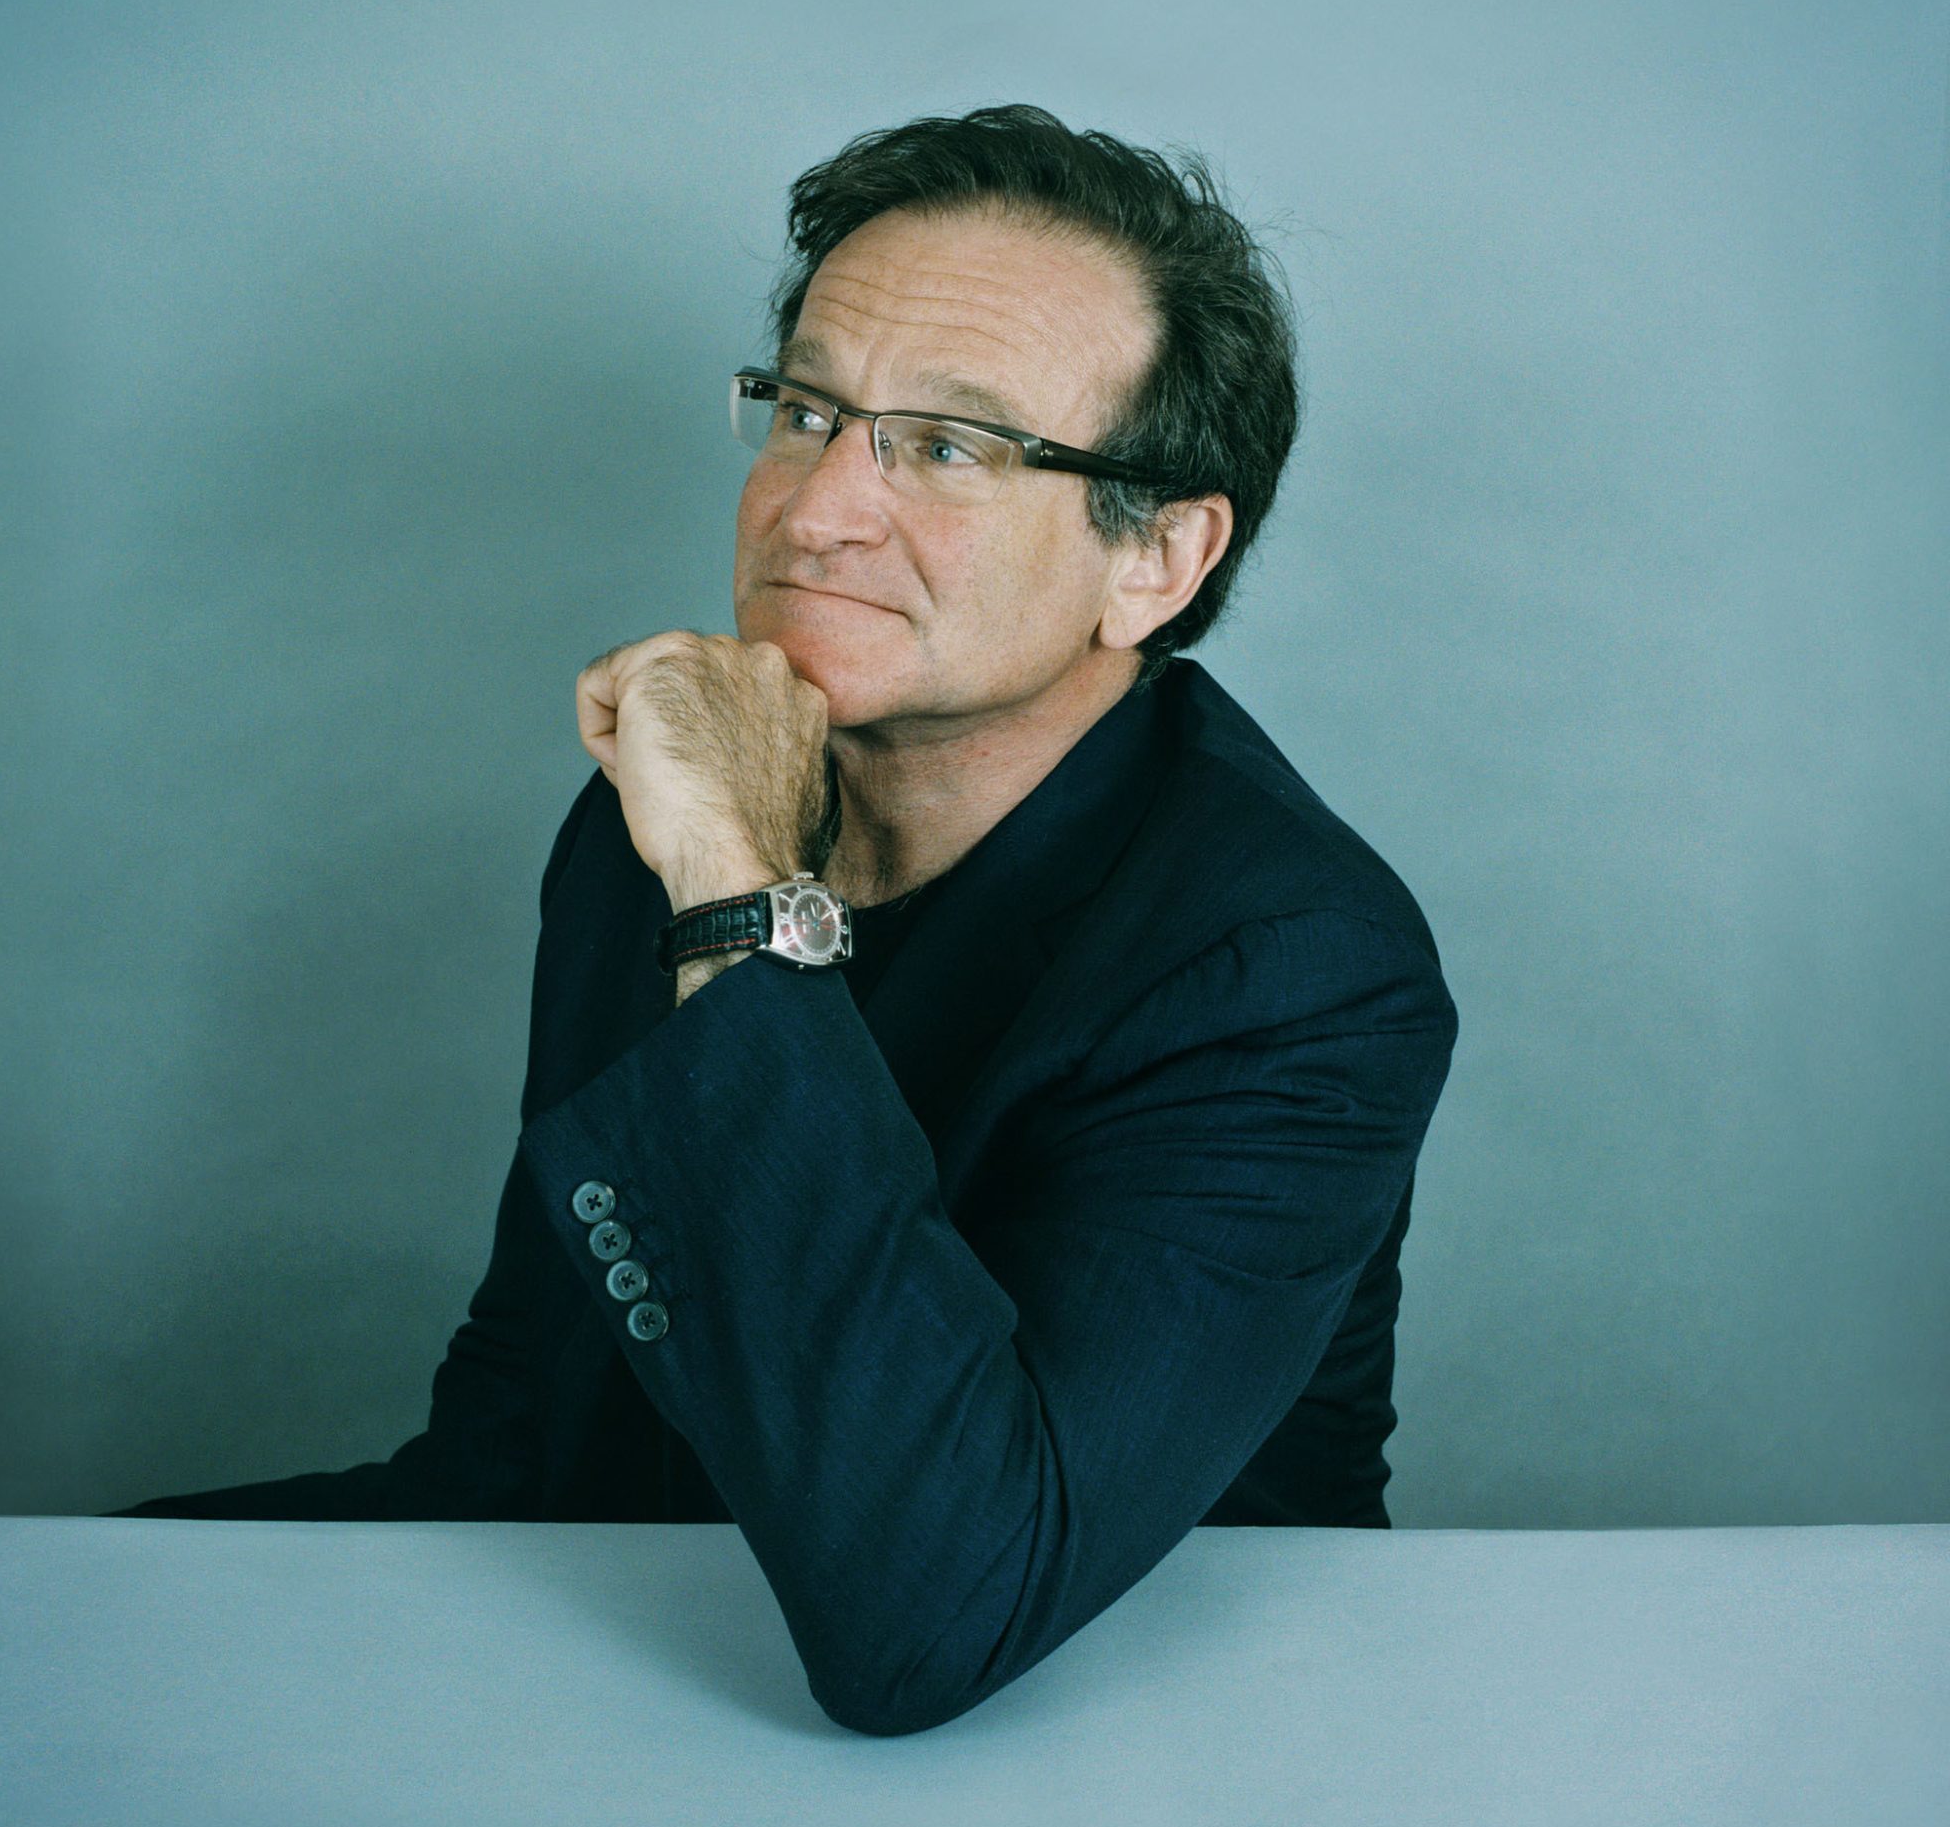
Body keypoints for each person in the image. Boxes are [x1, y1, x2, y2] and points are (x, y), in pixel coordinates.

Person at [108, 102, 1460, 1737]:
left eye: (949, 448)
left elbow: (933, 1610)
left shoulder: (1293, 970)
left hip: (1130, 1742)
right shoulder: (671, 818)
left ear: (1159, 560)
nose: (817, 510)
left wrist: (739, 896)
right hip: (659, 1656)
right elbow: (534, 1419)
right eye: (810, 411)